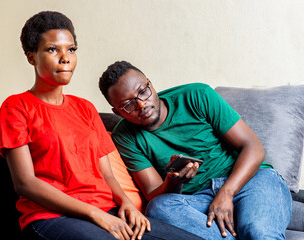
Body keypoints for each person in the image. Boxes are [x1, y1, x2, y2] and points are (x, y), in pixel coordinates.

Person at [0, 11, 202, 240]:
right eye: (53, 49)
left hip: (108, 211)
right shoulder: (15, 107)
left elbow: (107, 175)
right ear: (31, 57)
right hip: (51, 218)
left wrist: (127, 204)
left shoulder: (85, 108)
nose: (65, 57)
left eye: (71, 49)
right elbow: (25, 183)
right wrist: (96, 214)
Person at [98, 60, 293, 240]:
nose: (141, 104)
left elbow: (254, 147)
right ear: (117, 112)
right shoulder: (124, 136)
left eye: (143, 91)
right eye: (128, 105)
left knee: (257, 232)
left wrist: (227, 192)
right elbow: (153, 194)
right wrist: (173, 181)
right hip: (198, 201)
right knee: (158, 208)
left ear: (150, 84)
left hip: (250, 181)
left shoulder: (197, 95)